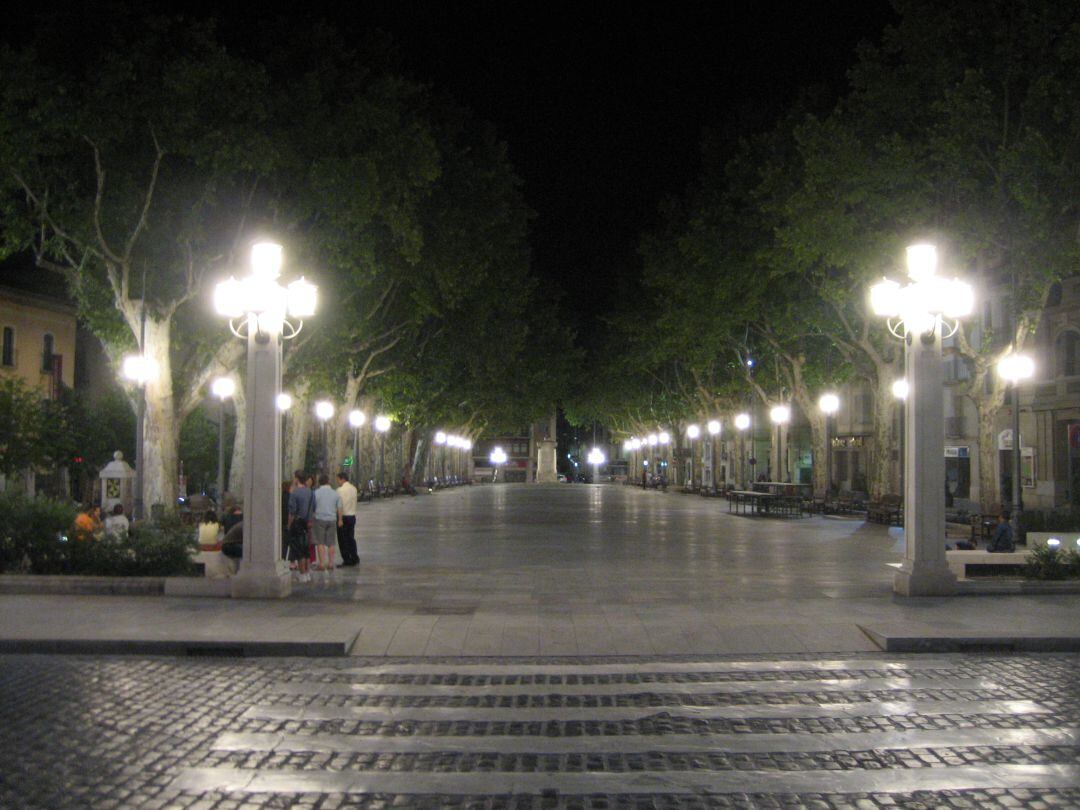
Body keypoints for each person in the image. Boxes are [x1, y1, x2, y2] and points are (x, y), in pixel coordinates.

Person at [311, 473, 342, 573]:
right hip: (332, 519)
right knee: (331, 543)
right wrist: (340, 519)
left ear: (319, 483)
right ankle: (331, 563)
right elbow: (339, 507)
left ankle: (321, 564)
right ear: (328, 482)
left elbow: (312, 507)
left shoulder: (315, 493)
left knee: (320, 542)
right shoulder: (335, 493)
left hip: (319, 519)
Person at [287, 469, 314, 582]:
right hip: (307, 522)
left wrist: (289, 525)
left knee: (298, 550)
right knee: (306, 549)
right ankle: (307, 573)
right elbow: (313, 508)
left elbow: (292, 512)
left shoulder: (295, 493)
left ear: (297, 478)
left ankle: (302, 574)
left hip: (297, 522)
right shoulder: (310, 492)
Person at [335, 472, 360, 567]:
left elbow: (339, 506)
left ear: (342, 479)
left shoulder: (339, 490)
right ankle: (354, 557)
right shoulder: (354, 489)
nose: (337, 482)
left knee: (342, 539)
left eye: (338, 479)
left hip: (343, 517)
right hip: (352, 516)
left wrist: (339, 519)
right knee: (350, 538)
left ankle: (347, 559)